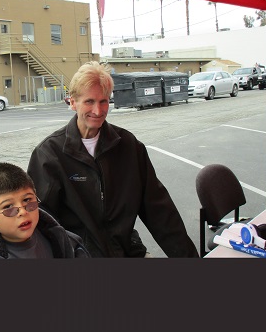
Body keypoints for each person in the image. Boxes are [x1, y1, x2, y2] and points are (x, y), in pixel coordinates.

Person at [27, 61, 199, 258]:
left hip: (127, 251)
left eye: (104, 101)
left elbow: (159, 210)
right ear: (72, 102)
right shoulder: (49, 154)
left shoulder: (128, 147)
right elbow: (41, 223)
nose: (98, 111)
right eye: (89, 101)